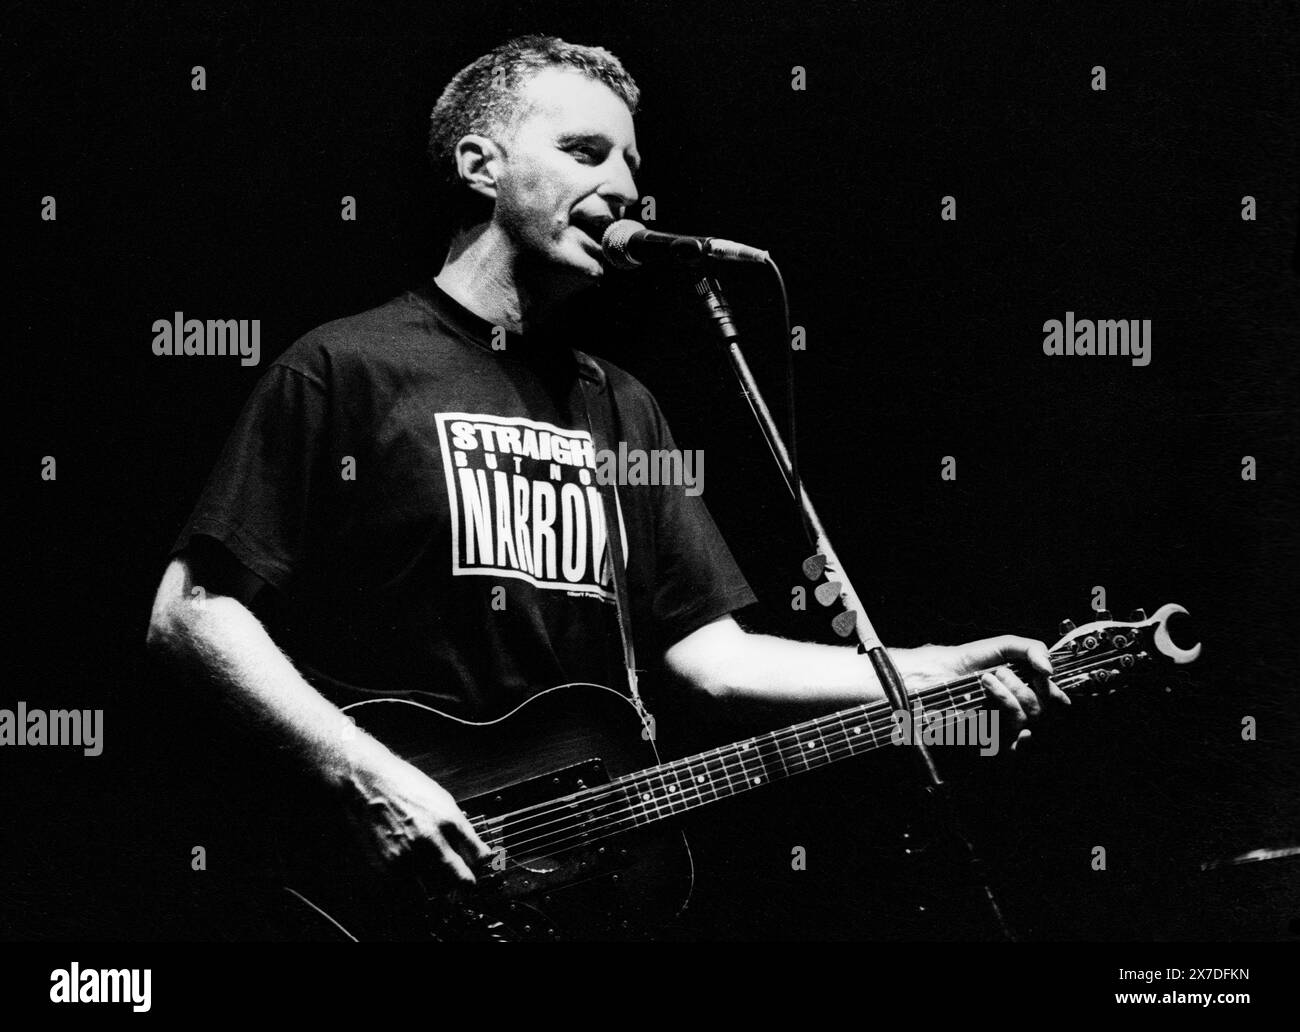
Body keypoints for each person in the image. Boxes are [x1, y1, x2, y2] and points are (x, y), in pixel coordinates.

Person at [145, 35, 1066, 915]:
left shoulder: (620, 404)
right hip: (372, 881)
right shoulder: (346, 366)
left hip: (557, 891)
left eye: (631, 164)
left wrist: (931, 667)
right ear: (480, 167)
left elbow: (713, 656)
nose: (623, 187)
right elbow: (190, 614)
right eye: (585, 149)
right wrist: (367, 775)